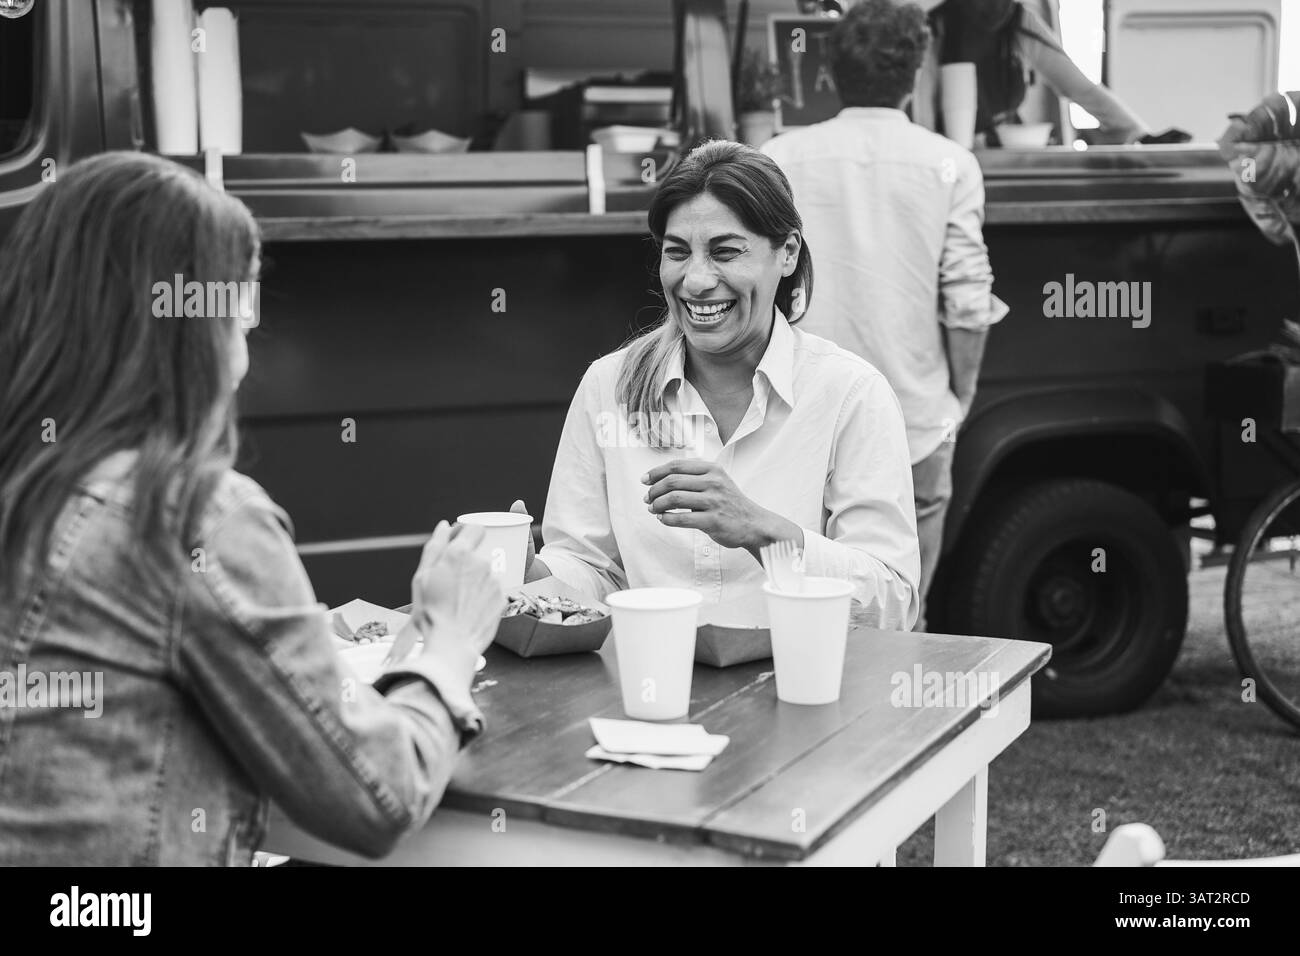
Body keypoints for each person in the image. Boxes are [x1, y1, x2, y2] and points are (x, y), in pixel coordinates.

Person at [0, 152, 503, 865]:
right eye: (239, 311)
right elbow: (376, 797)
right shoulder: (189, 516)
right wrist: (451, 643)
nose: (245, 349)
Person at [517, 140, 920, 631]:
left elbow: (892, 603)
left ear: (787, 253)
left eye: (726, 252)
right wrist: (528, 573)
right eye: (677, 253)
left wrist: (764, 534)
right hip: (649, 686)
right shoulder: (610, 386)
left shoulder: (850, 395)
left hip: (796, 690)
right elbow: (593, 573)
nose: (696, 280)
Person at [762, 0, 1006, 630]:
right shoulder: (951, 164)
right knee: (899, 610)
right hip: (915, 419)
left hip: (798, 418)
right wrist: (961, 394)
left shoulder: (778, 158)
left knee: (797, 606)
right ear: (917, 72)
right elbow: (968, 299)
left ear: (833, 69)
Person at [913, 0, 1151, 145]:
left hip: (999, 160)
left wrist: (1139, 135)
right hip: (949, 160)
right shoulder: (935, 30)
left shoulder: (1017, 22)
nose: (996, 7)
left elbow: (1082, 89)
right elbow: (922, 120)